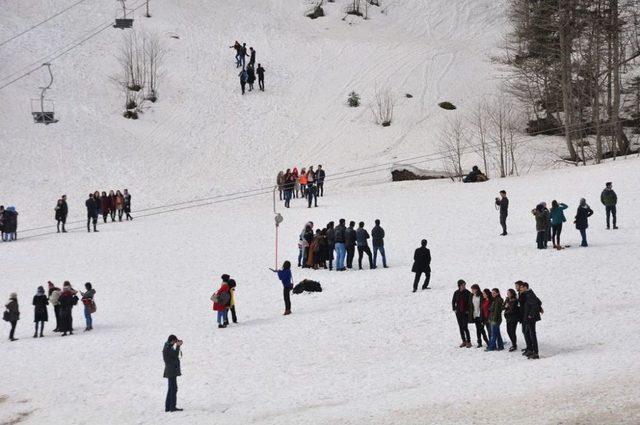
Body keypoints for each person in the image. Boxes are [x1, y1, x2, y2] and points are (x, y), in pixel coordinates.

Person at [519, 282, 542, 359]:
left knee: (532, 334)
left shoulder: (529, 294)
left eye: (521, 287)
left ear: (525, 287)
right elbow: (538, 302)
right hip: (527, 317)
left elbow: (535, 304)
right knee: (527, 333)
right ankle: (530, 350)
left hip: (531, 318)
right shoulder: (527, 293)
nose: (520, 289)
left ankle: (536, 353)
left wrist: (530, 315)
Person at [163, 335, 183, 412]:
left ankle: (168, 407)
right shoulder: (168, 348)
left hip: (170, 370)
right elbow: (175, 355)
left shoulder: (167, 346)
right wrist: (178, 347)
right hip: (171, 371)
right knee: (173, 389)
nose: (175, 343)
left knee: (171, 388)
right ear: (172, 341)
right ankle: (172, 407)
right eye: (175, 341)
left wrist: (177, 345)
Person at [452, 280, 472, 347]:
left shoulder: (468, 293)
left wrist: (468, 310)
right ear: (459, 285)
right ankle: (464, 341)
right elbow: (453, 301)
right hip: (458, 312)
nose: (464, 286)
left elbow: (470, 303)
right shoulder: (456, 292)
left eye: (464, 285)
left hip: (465, 312)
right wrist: (454, 308)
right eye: (462, 285)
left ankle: (469, 341)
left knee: (465, 327)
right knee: (460, 327)